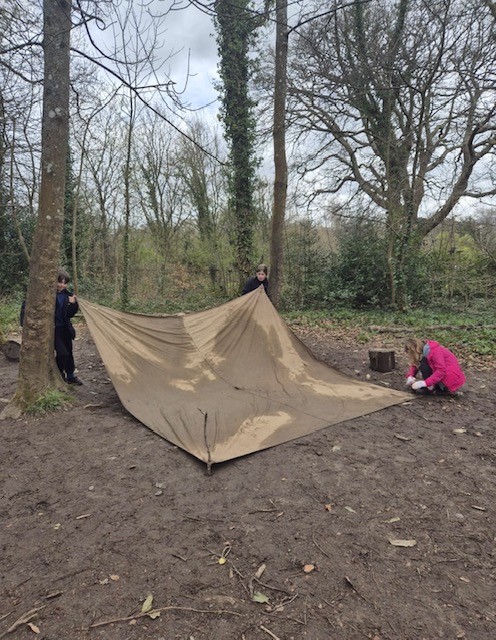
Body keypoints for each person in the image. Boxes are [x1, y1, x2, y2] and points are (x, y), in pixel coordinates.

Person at [55, 270, 83, 385]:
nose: (62, 285)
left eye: (65, 283)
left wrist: (73, 304)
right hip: (54, 330)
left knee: (69, 353)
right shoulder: (47, 295)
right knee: (63, 353)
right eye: (60, 282)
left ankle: (71, 376)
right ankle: (59, 373)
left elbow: (70, 314)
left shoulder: (68, 295)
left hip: (65, 329)